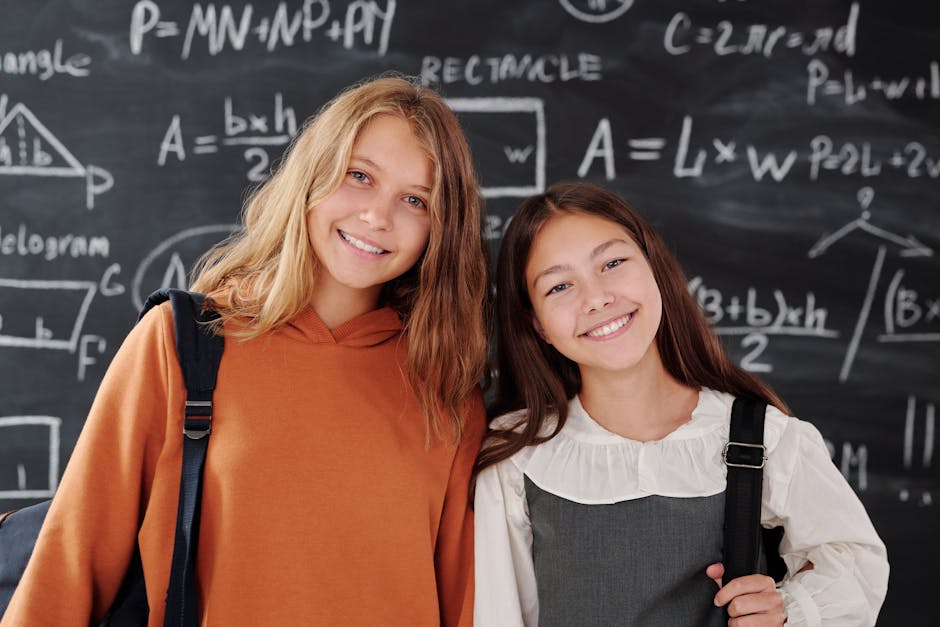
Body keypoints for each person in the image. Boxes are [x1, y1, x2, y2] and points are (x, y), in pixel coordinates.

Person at [3, 75, 490, 626]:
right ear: (312, 175)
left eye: (415, 200)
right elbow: (68, 566)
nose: (378, 216)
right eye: (359, 176)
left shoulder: (445, 394)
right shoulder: (181, 345)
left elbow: (468, 610)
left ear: (440, 228)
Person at [473, 182, 889, 626]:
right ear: (537, 325)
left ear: (654, 266)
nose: (597, 298)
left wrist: (786, 610)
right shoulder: (519, 456)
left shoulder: (758, 437)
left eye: (612, 263)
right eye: (559, 287)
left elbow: (855, 563)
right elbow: (499, 614)